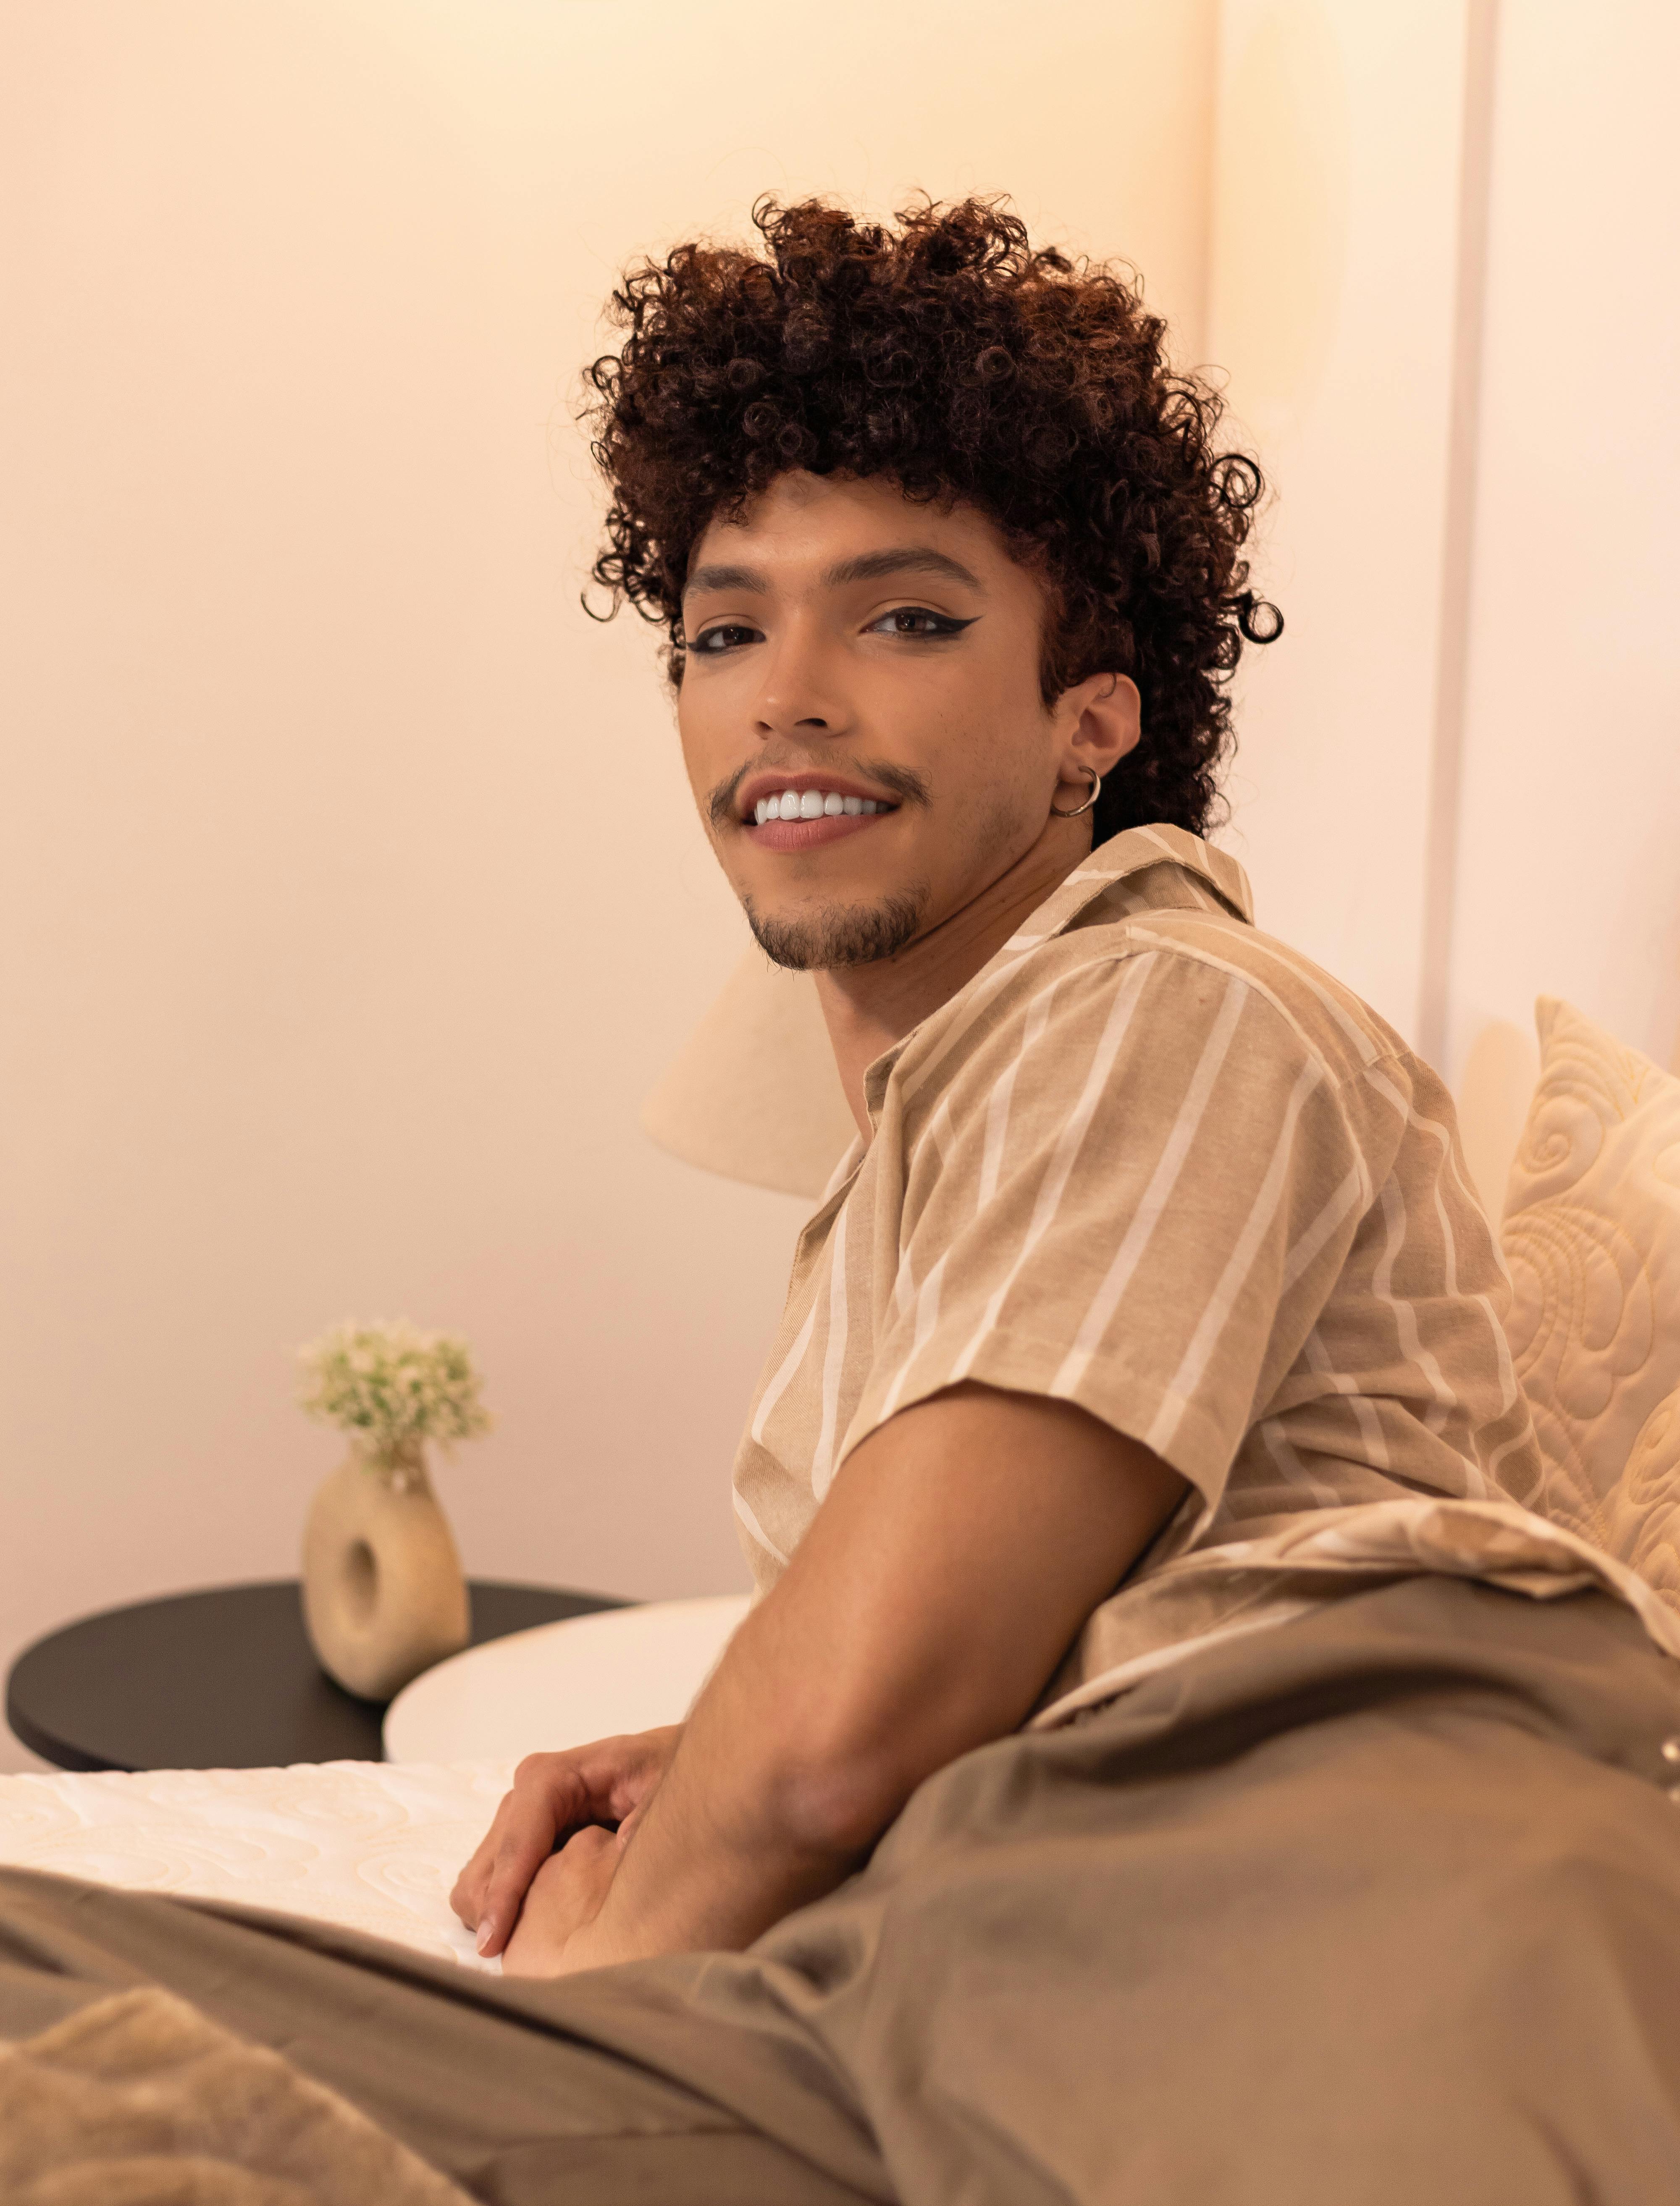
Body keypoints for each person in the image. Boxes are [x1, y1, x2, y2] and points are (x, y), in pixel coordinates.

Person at [8, 196, 1680, 2206]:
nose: (784, 691)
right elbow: (883, 1716)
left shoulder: (1167, 1006)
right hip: (933, 1994)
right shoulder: (943, 1138)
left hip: (1281, 1947)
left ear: (1093, 716)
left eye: (905, 618)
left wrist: (613, 1963)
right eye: (726, 630)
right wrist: (713, 1753)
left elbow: (841, 1743)